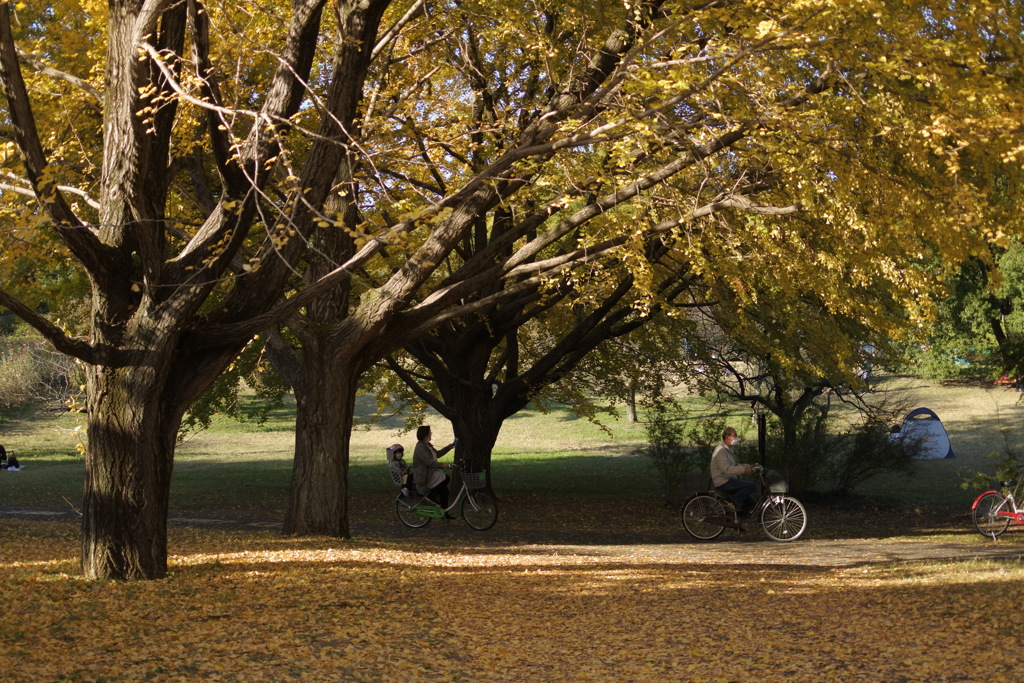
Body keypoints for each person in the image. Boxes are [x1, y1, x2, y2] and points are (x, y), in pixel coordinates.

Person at [710, 427, 756, 517]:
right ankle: (731, 502)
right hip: (723, 482)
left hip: (729, 480)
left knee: (750, 503)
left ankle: (736, 521)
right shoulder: (721, 450)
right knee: (752, 486)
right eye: (734, 436)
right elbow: (726, 469)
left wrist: (749, 466)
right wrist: (744, 469)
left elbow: (734, 465)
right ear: (727, 437)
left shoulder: (728, 449)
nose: (736, 438)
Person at [413, 425, 457, 509]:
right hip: (425, 476)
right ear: (425, 435)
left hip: (431, 472)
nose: (431, 434)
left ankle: (444, 512)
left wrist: (448, 447)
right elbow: (429, 462)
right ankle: (429, 496)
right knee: (446, 479)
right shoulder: (420, 447)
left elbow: (437, 454)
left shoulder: (428, 445)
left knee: (445, 490)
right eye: (430, 433)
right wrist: (442, 465)